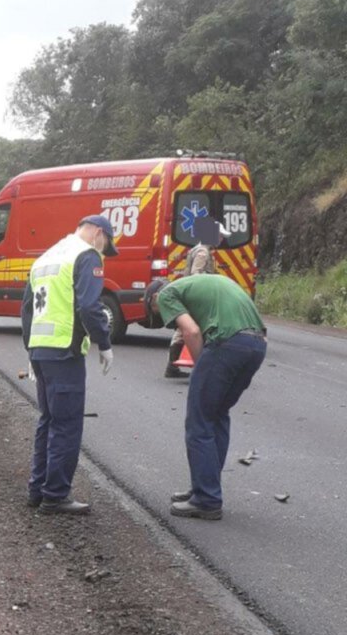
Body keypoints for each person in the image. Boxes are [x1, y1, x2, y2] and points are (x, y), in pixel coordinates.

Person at [144, 275, 267, 521]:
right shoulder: (205, 283)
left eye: (158, 312)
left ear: (154, 297)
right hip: (257, 345)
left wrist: (202, 368)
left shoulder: (168, 293)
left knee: (199, 420)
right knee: (217, 414)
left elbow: (191, 331)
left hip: (227, 343)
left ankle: (206, 499)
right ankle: (205, 485)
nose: (168, 319)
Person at [21, 215, 118, 515]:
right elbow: (89, 306)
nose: (104, 252)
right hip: (65, 352)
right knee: (66, 425)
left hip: (40, 350)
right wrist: (104, 342)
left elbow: (26, 310)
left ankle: (37, 490)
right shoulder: (86, 255)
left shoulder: (46, 257)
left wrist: (31, 348)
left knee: (48, 421)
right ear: (98, 234)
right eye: (106, 246)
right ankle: (55, 495)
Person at [164, 216, 223, 378]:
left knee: (182, 330)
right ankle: (200, 367)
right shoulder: (203, 253)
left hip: (189, 294)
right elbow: (196, 275)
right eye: (219, 236)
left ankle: (172, 367)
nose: (221, 239)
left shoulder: (197, 249)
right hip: (196, 295)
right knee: (193, 330)